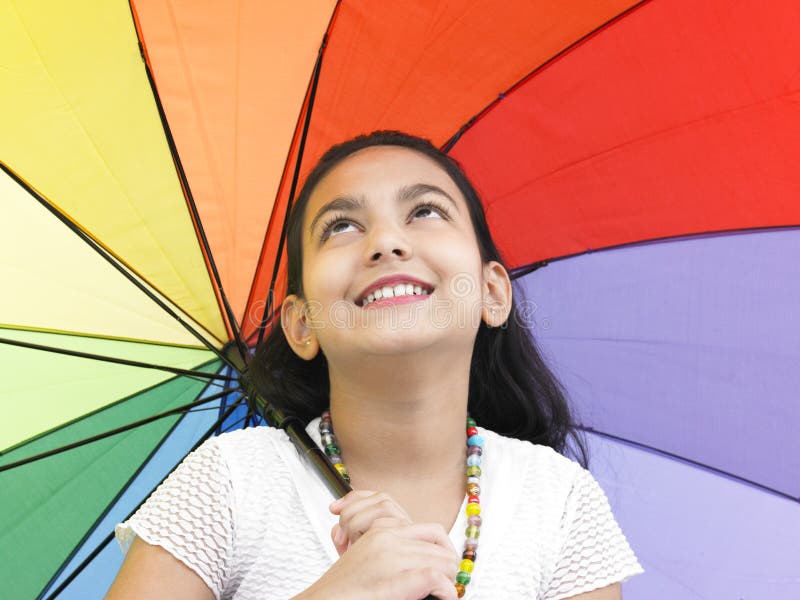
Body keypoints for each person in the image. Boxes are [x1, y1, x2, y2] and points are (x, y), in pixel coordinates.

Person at [107, 130, 644, 599]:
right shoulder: (230, 481)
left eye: (425, 212)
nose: (386, 242)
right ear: (302, 325)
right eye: (341, 226)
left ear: (492, 292)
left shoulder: (560, 500)